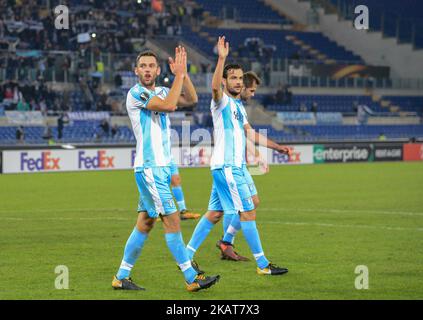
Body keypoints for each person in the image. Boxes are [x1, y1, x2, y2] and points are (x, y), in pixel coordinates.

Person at [112, 48, 219, 292]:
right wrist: (178, 76)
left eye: (152, 66)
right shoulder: (136, 93)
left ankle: (121, 276)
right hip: (149, 168)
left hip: (159, 169)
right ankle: (192, 277)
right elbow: (171, 106)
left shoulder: (160, 90)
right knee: (172, 221)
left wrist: (184, 74)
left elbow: (191, 99)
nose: (148, 70)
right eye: (143, 66)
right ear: (136, 71)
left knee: (146, 223)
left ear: (158, 70)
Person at [185, 37, 290, 276]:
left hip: (234, 167)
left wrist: (277, 147)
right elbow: (213, 88)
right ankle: (263, 264)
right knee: (247, 212)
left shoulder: (239, 107)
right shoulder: (220, 102)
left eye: (240, 78)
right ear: (225, 81)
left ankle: (186, 255)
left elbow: (251, 134)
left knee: (218, 212)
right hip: (228, 167)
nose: (238, 81)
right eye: (233, 77)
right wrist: (221, 58)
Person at [215, 71, 270, 261]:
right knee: (228, 211)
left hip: (238, 165)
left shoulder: (239, 108)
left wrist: (257, 154)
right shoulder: (226, 104)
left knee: (252, 203)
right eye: (251, 90)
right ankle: (256, 260)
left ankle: (226, 242)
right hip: (227, 165)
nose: (253, 94)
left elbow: (245, 135)